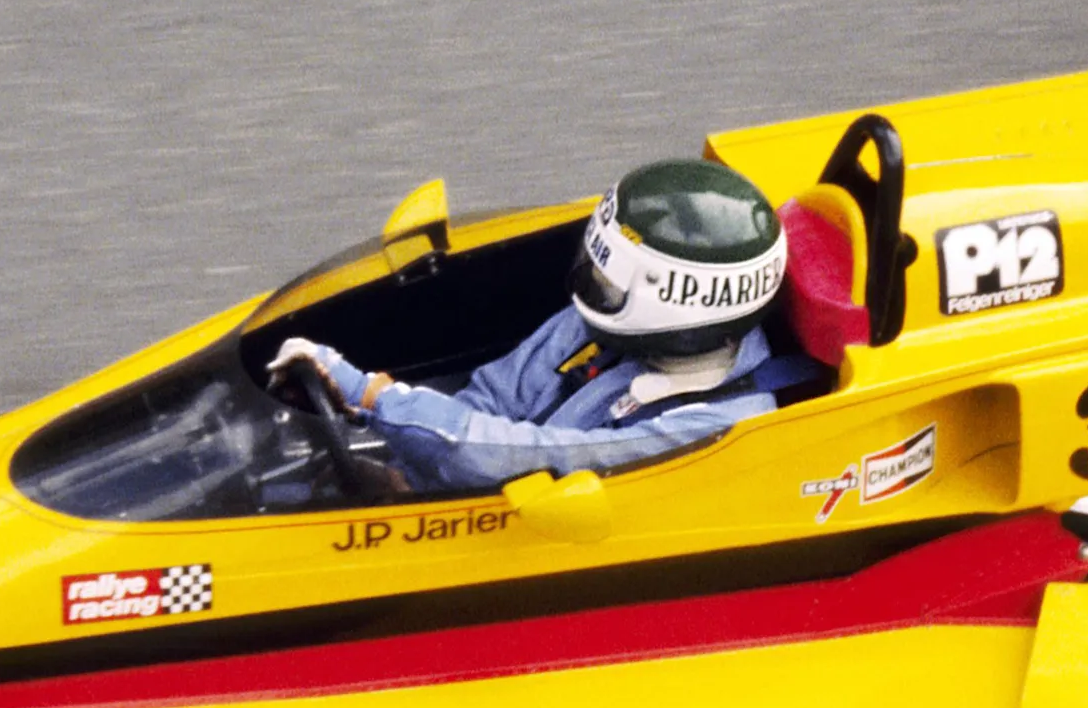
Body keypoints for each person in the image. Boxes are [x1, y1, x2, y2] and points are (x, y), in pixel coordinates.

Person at [268, 159, 816, 492]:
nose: (591, 283)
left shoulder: (714, 426)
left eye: (609, 277)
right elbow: (490, 400)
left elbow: (529, 458)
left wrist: (374, 396)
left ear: (682, 303)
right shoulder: (605, 324)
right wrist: (408, 462)